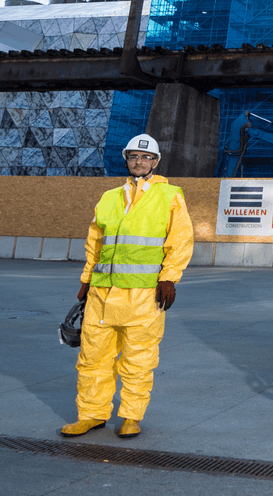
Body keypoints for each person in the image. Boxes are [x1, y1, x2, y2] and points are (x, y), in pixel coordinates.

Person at [61, 133, 193, 440]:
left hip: (143, 294)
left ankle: (131, 416)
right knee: (93, 358)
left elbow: (181, 239)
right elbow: (95, 242)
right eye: (134, 157)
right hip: (102, 293)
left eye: (146, 157)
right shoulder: (109, 198)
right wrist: (86, 278)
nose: (139, 162)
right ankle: (91, 414)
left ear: (156, 162)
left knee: (139, 358)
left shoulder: (170, 196)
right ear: (127, 160)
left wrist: (170, 276)